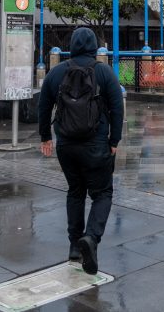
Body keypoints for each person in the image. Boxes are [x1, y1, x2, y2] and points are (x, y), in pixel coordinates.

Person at [38, 27, 123, 275]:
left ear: (72, 45)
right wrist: (114, 140)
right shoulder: (104, 72)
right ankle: (91, 238)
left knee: (75, 191)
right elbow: (117, 109)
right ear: (95, 46)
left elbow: (43, 106)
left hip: (66, 145)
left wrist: (46, 137)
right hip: (96, 144)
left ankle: (75, 246)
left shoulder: (56, 73)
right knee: (103, 193)